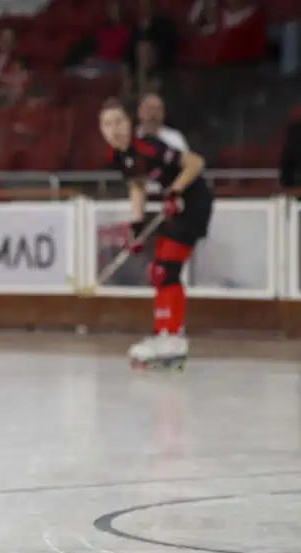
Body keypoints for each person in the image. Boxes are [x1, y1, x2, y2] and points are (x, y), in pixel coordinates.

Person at [100, 97, 211, 370]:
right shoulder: (117, 156)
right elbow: (136, 185)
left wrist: (174, 191)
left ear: (130, 122)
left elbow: (196, 163)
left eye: (119, 122)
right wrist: (136, 225)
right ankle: (165, 331)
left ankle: (173, 336)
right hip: (173, 206)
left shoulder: (149, 147)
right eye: (106, 125)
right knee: (158, 271)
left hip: (192, 203)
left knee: (166, 269)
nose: (114, 130)